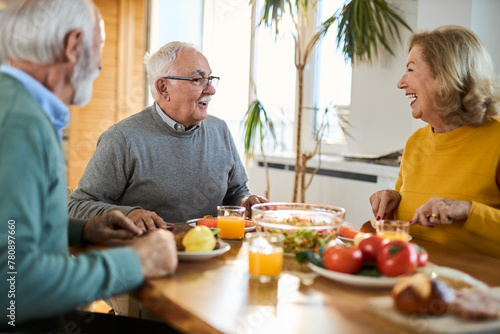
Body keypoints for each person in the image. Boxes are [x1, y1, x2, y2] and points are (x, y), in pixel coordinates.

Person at [0, 1, 178, 333]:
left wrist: (81, 230)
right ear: (73, 45)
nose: (99, 64)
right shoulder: (19, 123)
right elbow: (12, 287)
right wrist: (136, 261)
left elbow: (10, 229)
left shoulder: (18, 106)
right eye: (100, 48)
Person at [67, 41, 267, 232]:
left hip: (216, 255)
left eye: (210, 79)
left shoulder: (220, 130)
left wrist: (244, 202)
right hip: (148, 259)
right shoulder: (121, 139)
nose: (211, 90)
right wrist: (129, 214)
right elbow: (76, 206)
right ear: (163, 88)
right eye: (198, 80)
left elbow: (236, 190)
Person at [370, 25, 500, 257]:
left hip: (480, 287)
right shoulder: (415, 142)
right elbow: (408, 224)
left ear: (446, 75)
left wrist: (467, 210)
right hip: (414, 276)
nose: (401, 83)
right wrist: (393, 202)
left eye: (410, 69)